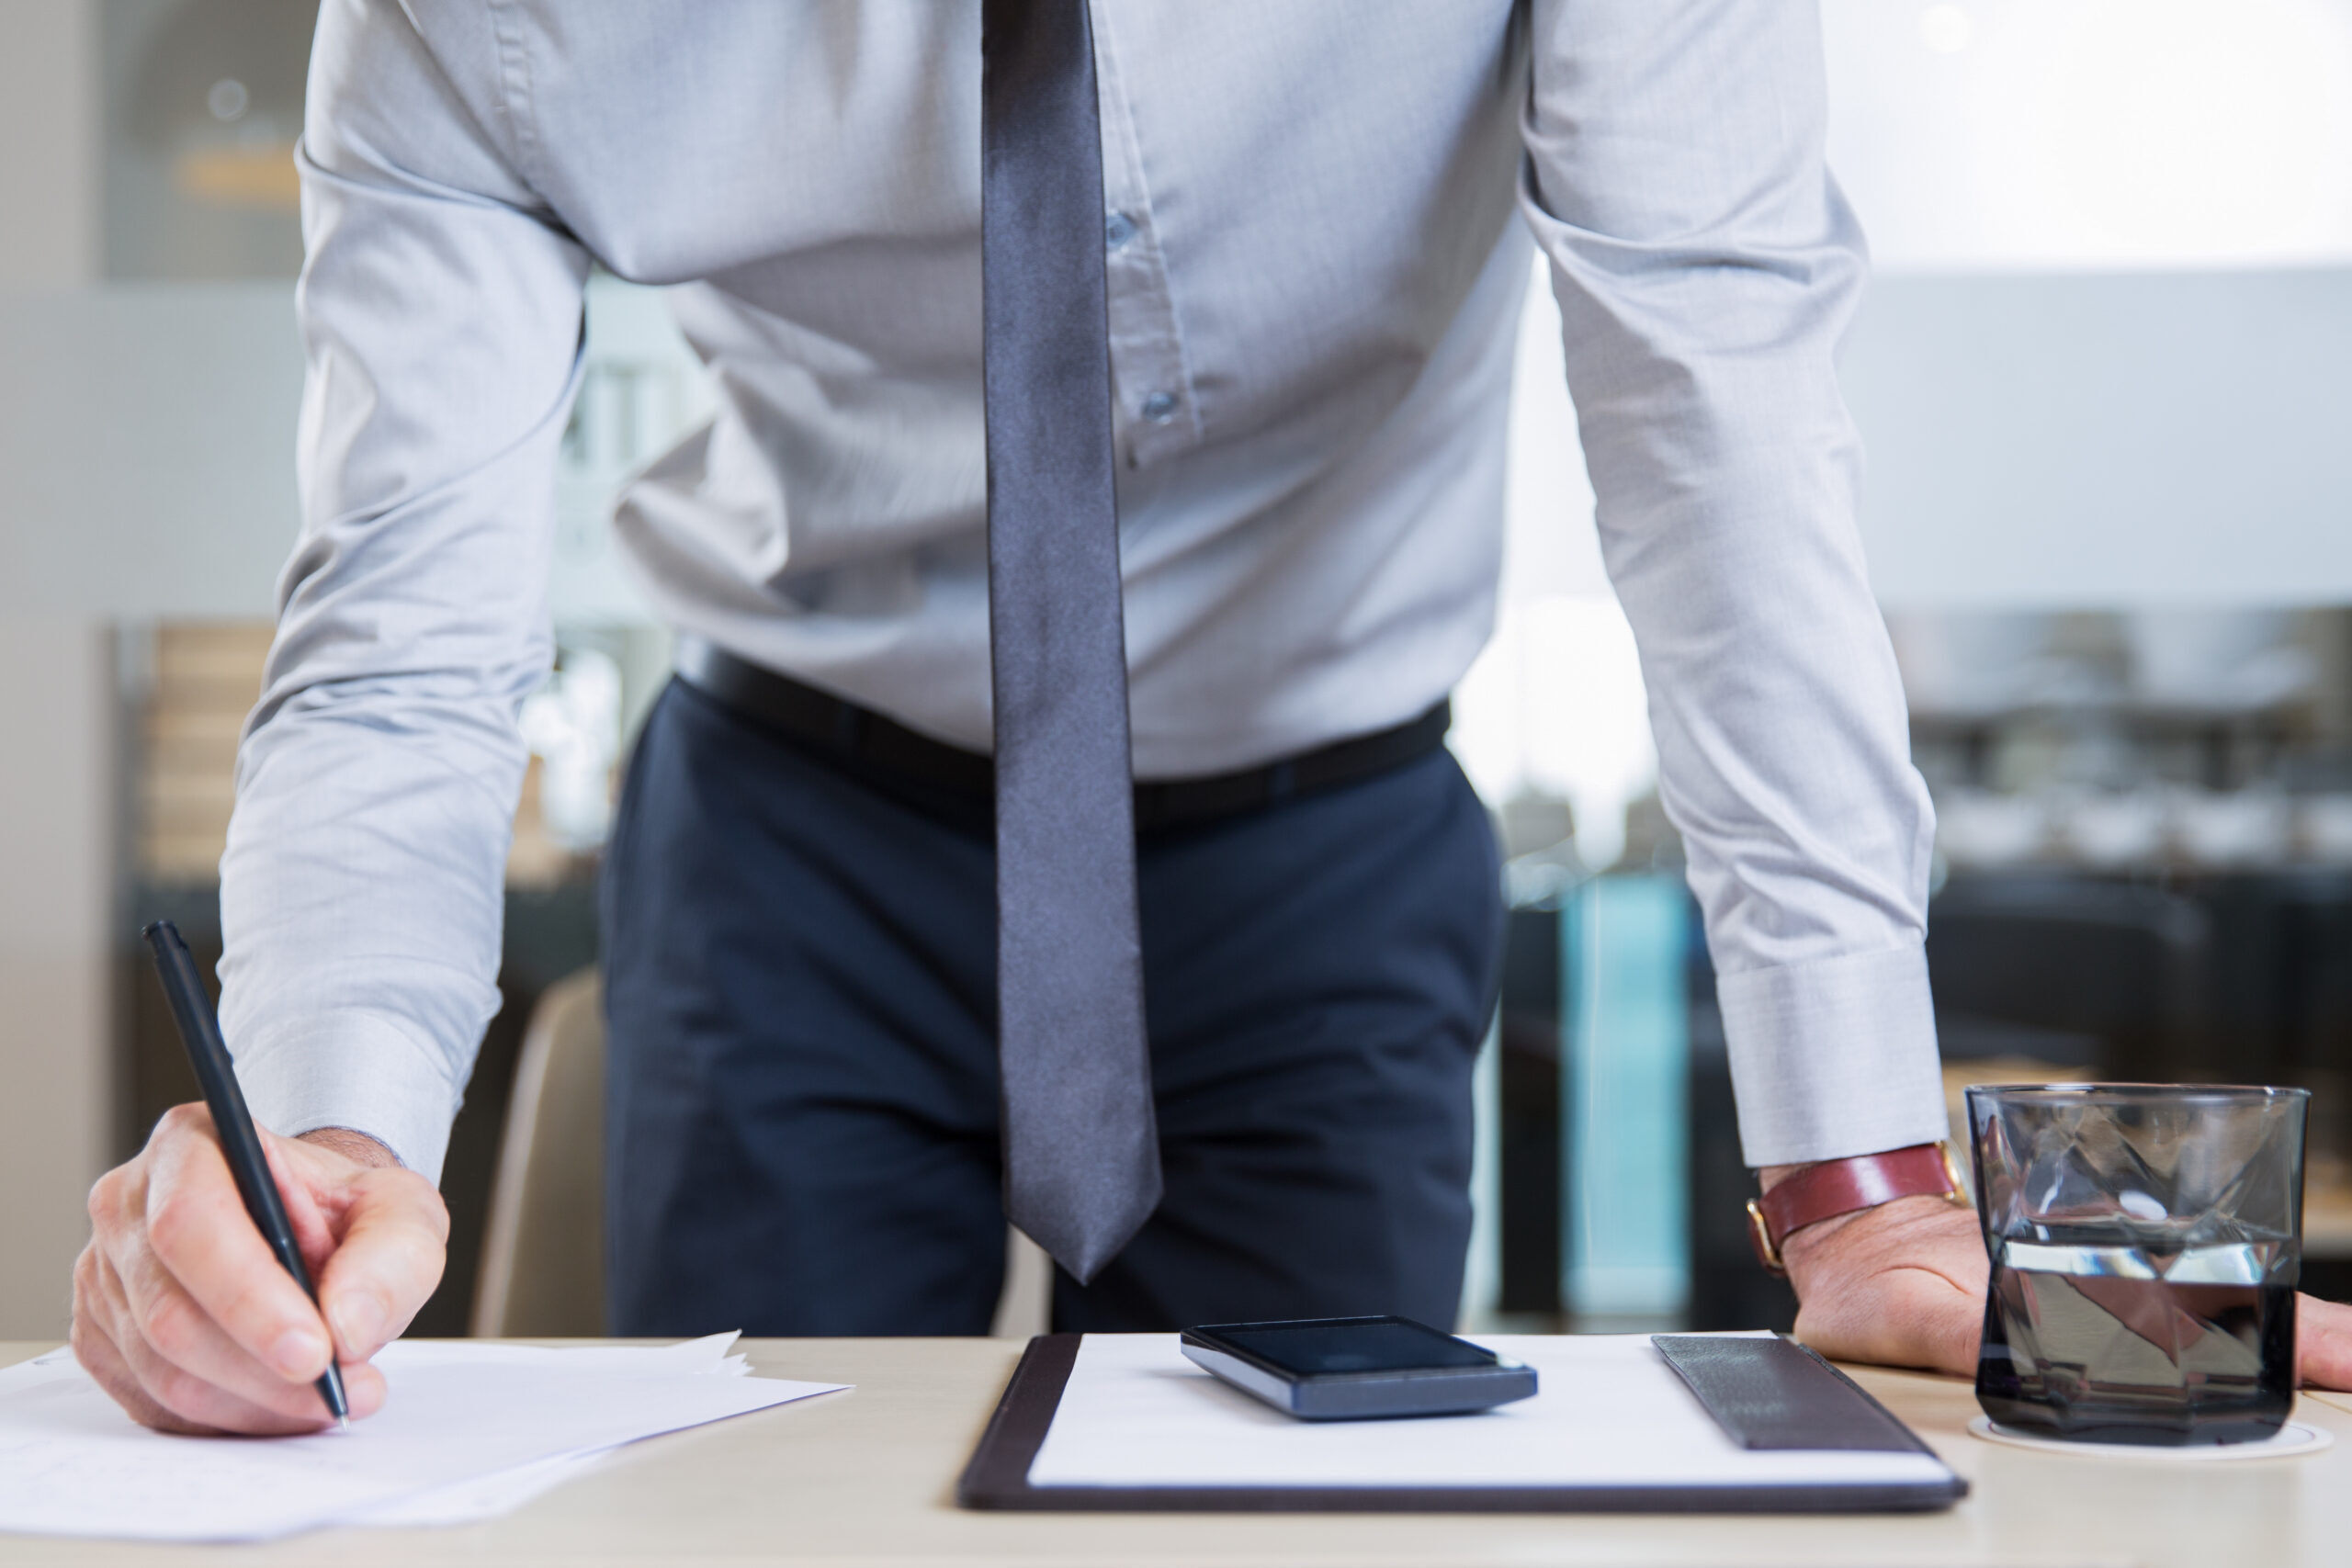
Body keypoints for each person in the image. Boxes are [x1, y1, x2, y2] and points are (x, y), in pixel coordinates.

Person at [72, 0, 2352, 1436]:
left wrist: (1851, 1164)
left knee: (1311, 1505)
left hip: (1320, 831)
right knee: (758, 1489)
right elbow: (400, 618)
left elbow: (1718, 425)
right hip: (795, 826)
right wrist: (331, 1130)